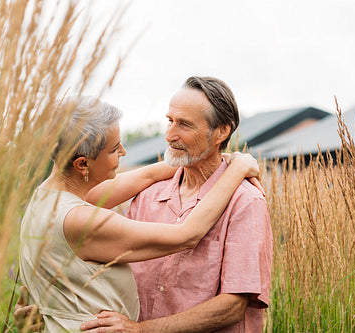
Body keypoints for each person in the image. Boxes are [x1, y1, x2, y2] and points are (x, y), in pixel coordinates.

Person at [17, 96, 261, 332]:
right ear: (83, 165)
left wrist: (208, 157)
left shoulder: (44, 200)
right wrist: (237, 168)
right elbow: (188, 234)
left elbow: (146, 175)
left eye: (184, 123)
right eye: (114, 149)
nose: (123, 151)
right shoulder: (81, 220)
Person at [79, 76, 273, 332]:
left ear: (221, 132)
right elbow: (111, 262)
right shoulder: (147, 194)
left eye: (184, 125)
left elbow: (232, 306)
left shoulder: (246, 202)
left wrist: (140, 330)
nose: (169, 136)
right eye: (169, 121)